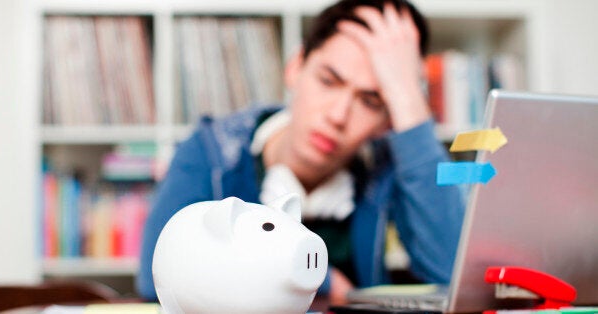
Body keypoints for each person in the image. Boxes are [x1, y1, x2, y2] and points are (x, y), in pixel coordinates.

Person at [137, 0, 464, 305]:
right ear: (296, 67)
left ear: (387, 119)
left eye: (370, 101)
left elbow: (453, 273)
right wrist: (320, 280)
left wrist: (408, 99)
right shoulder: (213, 152)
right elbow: (158, 278)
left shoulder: (386, 166)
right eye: (328, 80)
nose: (337, 115)